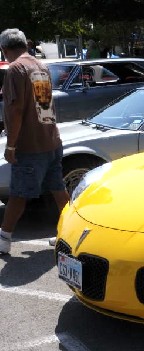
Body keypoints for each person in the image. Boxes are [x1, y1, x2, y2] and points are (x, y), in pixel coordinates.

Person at [0, 28, 69, 254]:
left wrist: (11, 145)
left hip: (30, 145)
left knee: (19, 194)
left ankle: (3, 240)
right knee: (58, 189)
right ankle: (68, 233)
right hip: (51, 140)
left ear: (4, 49)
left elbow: (15, 110)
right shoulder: (40, 66)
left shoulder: (16, 69)